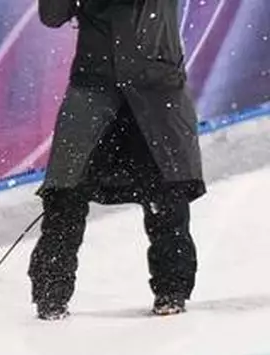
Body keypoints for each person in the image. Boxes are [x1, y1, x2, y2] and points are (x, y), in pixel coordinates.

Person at [29, 0, 205, 320]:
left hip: (154, 86)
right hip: (95, 86)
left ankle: (172, 290)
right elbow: (52, 16)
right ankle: (50, 294)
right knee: (64, 195)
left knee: (167, 196)